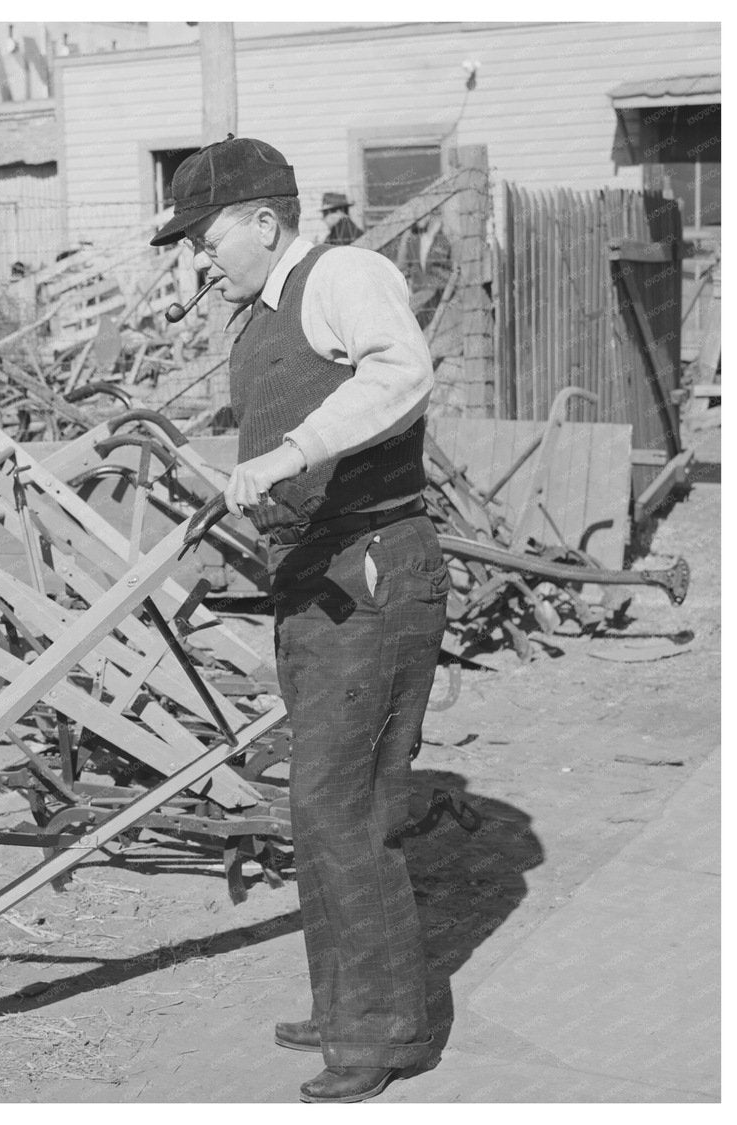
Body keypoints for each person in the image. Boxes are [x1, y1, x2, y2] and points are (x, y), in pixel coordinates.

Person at [151, 137, 448, 1104]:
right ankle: (344, 1004)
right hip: (315, 581)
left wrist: (289, 456)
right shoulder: (262, 314)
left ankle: (383, 1032)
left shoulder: (344, 274)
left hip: (373, 572)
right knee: (317, 807)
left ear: (264, 221)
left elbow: (401, 373)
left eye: (206, 238)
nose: (200, 258)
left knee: (343, 804)